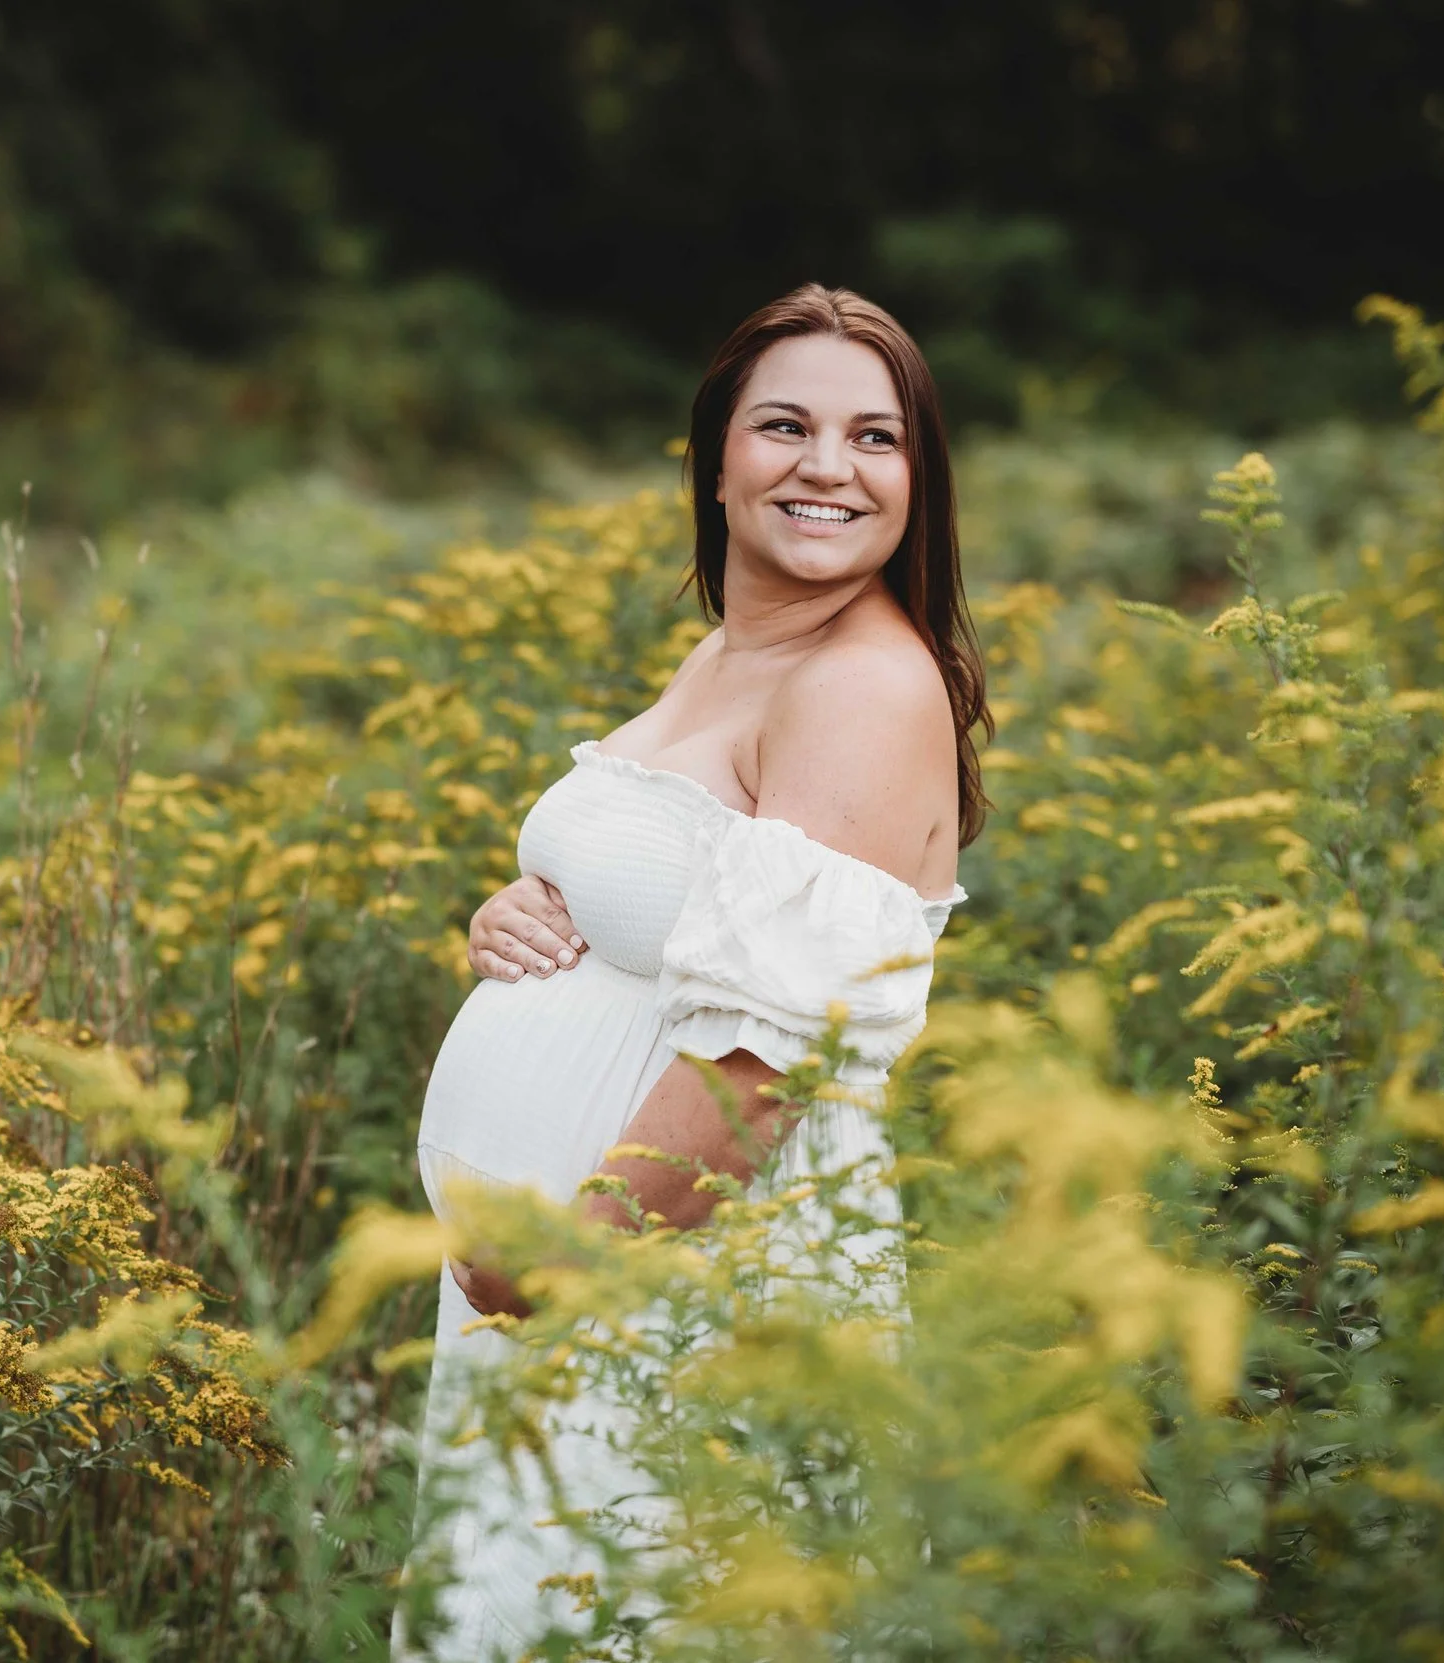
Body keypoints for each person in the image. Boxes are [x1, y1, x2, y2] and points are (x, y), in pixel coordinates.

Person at [395, 283, 991, 1659]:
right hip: (582, 1280)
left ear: (920, 479)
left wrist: (561, 1266)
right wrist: (522, 922)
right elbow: (674, 901)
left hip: (672, 1284)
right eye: (784, 425)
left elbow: (763, 1061)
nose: (828, 467)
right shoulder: (735, 649)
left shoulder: (864, 684)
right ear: (715, 461)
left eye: (876, 438)